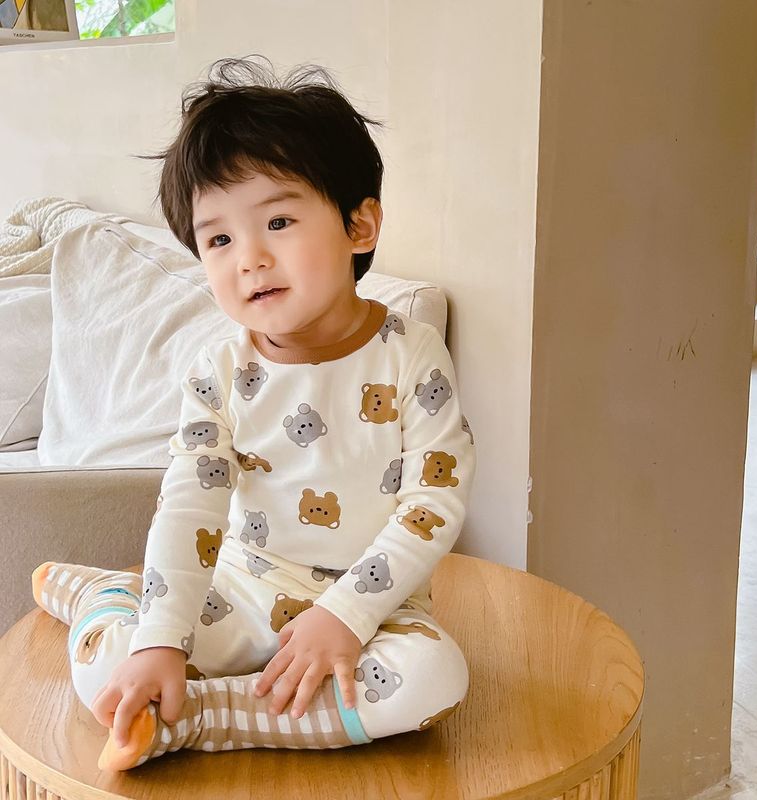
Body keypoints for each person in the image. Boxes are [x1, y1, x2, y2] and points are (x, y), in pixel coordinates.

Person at [31, 55, 477, 771]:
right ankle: (104, 597)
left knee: (434, 680)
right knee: (108, 667)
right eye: (219, 239)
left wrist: (347, 615)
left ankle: (205, 717)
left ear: (360, 225)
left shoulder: (411, 355)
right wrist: (161, 639)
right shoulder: (217, 374)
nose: (250, 258)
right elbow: (191, 505)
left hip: (375, 606)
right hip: (240, 589)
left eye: (278, 220)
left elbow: (434, 500)